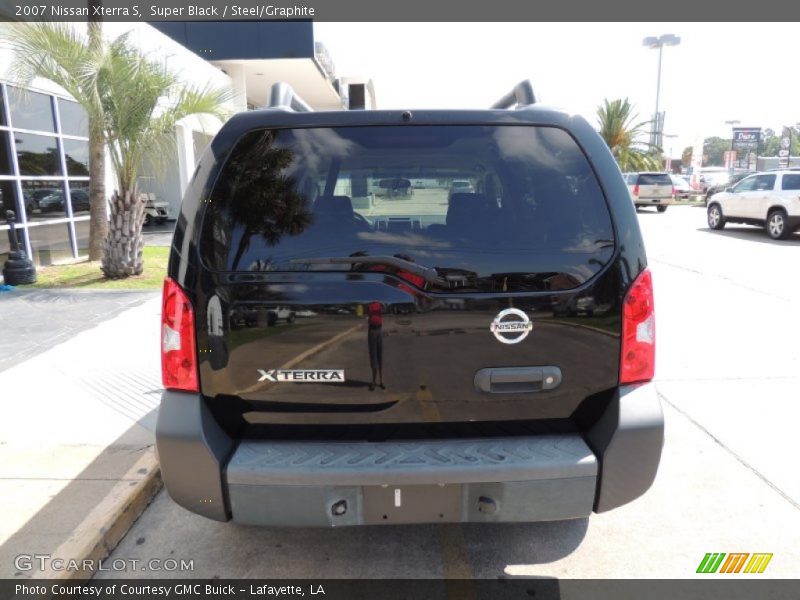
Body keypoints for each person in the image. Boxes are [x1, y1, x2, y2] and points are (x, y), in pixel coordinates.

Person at [366, 300, 385, 391]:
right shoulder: (369, 303)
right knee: (373, 356)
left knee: (380, 355)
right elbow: (367, 312)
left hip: (379, 329)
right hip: (372, 330)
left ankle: (381, 381)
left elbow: (385, 310)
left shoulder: (381, 303)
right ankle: (373, 381)